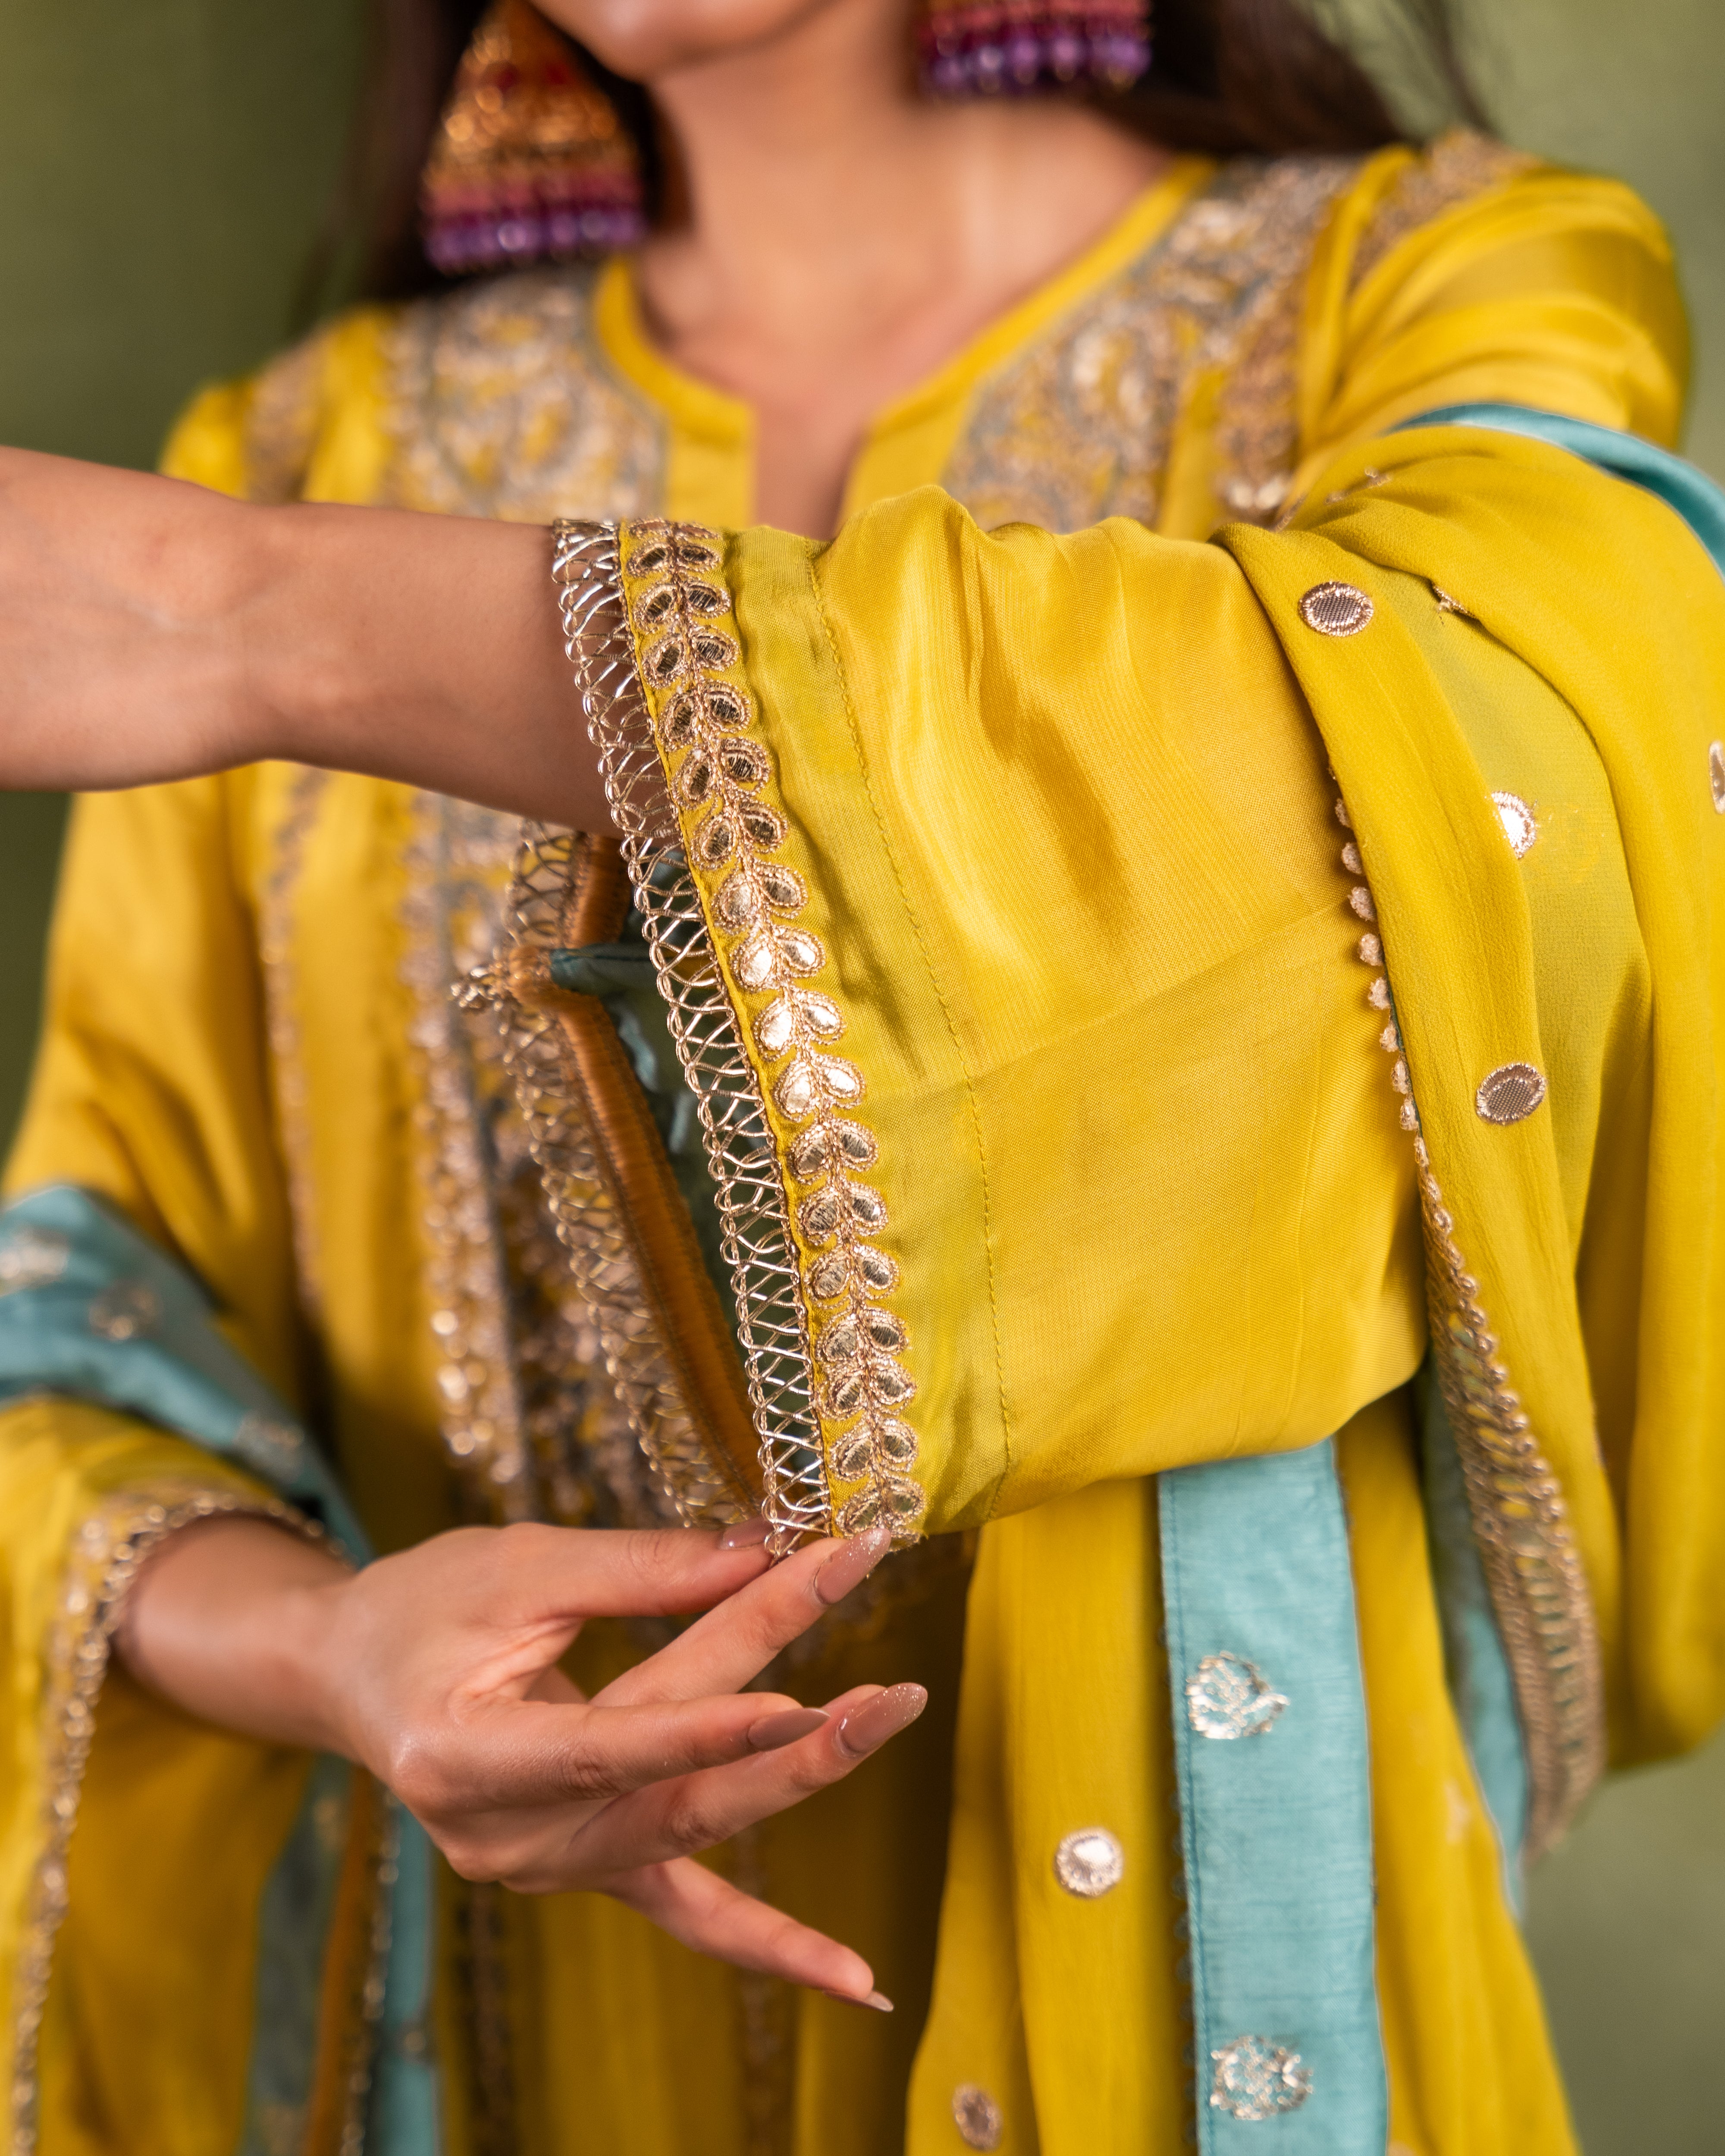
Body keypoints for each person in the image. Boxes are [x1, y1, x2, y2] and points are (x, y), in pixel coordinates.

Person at [1, 2, 1723, 2153]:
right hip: (517, 2050)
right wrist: (336, 1652)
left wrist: (249, 628)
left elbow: (1419, 851)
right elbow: (77, 1330)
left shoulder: (1426, 292)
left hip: (1173, 1995)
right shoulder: (300, 441)